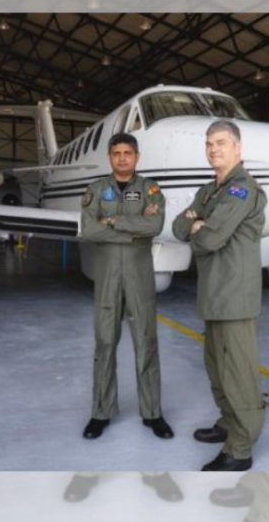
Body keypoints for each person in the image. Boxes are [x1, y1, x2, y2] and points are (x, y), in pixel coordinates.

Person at [172, 119, 267, 471]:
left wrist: (200, 224)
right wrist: (197, 223)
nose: (214, 149)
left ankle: (240, 449)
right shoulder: (210, 190)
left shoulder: (242, 189)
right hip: (213, 292)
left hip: (234, 295)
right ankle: (228, 423)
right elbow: (178, 226)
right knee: (216, 368)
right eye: (209, 143)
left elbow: (209, 238)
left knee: (237, 372)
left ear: (237, 148)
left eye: (222, 143)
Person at [79, 132, 173, 440]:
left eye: (127, 153)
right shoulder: (96, 190)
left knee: (146, 341)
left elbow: (155, 226)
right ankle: (101, 412)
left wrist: (114, 222)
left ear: (136, 157)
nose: (122, 158)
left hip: (139, 275)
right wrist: (133, 228)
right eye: (116, 153)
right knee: (105, 342)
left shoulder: (151, 190)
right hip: (107, 275)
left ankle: (152, 412)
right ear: (110, 157)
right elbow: (90, 230)